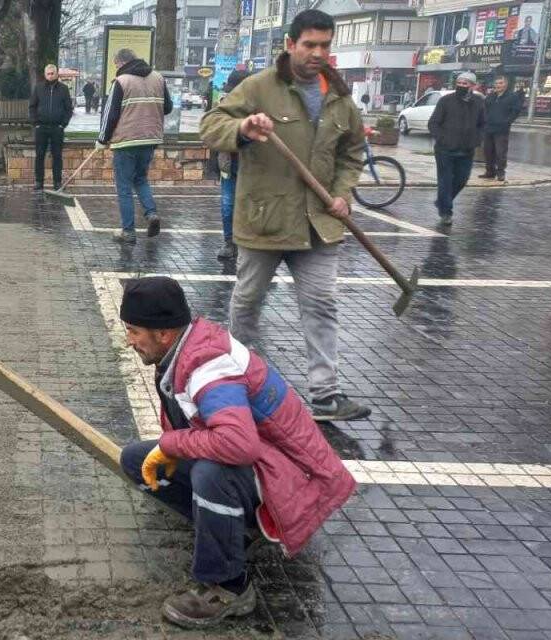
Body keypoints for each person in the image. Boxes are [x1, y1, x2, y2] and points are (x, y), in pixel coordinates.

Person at [116, 276, 355, 629]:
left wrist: (171, 444)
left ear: (163, 333)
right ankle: (237, 530)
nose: (130, 340)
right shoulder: (182, 350)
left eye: (135, 331)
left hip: (293, 477)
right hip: (266, 464)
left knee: (211, 474)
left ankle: (229, 586)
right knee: (135, 460)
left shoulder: (208, 366)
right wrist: (172, 445)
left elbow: (238, 445)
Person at [199, 9, 372, 422]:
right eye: (309, 44)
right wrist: (242, 128)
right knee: (247, 304)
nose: (317, 53)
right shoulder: (260, 87)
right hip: (266, 220)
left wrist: (344, 193)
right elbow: (210, 125)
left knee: (322, 305)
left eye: (325, 46)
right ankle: (238, 381)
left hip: (320, 223)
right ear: (290, 44)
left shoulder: (341, 99)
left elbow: (351, 155)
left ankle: (326, 394)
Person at [99, 48, 174, 244]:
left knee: (124, 186)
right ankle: (151, 213)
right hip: (150, 139)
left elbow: (110, 115)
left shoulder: (121, 82)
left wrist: (101, 139)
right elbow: (168, 107)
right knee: (140, 179)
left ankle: (128, 231)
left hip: (126, 141)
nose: (116, 68)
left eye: (116, 65)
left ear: (122, 63)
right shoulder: (158, 78)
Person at [428, 71, 485, 226]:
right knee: (445, 181)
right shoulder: (446, 101)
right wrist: (442, 138)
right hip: (445, 150)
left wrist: (477, 139)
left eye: (465, 84)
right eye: (459, 83)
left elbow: (482, 124)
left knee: (462, 179)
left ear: (473, 86)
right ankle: (446, 212)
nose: (461, 86)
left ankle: (442, 202)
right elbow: (433, 123)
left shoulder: (478, 102)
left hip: (466, 150)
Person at [215, 69, 246, 261]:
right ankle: (229, 243)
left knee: (253, 207)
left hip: (254, 168)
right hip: (229, 164)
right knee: (228, 205)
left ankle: (254, 248)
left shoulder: (262, 107)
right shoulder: (224, 106)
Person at [29, 64, 74, 191]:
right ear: (45, 74)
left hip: (57, 128)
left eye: (52, 73)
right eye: (48, 73)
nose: (50, 76)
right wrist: (35, 123)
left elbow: (68, 109)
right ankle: (38, 182)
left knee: (57, 156)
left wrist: (63, 124)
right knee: (39, 155)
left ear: (57, 74)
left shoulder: (63, 89)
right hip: (41, 127)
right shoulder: (38, 88)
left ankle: (57, 182)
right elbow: (32, 106)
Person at [480, 76, 522, 181]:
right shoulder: (491, 96)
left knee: (500, 152)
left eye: (501, 83)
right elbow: (484, 108)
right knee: (488, 151)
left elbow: (516, 111)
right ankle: (489, 172)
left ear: (506, 84)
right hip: (489, 128)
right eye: (497, 83)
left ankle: (500, 172)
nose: (498, 85)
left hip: (502, 129)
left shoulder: (512, 96)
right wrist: (485, 120)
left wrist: (507, 122)